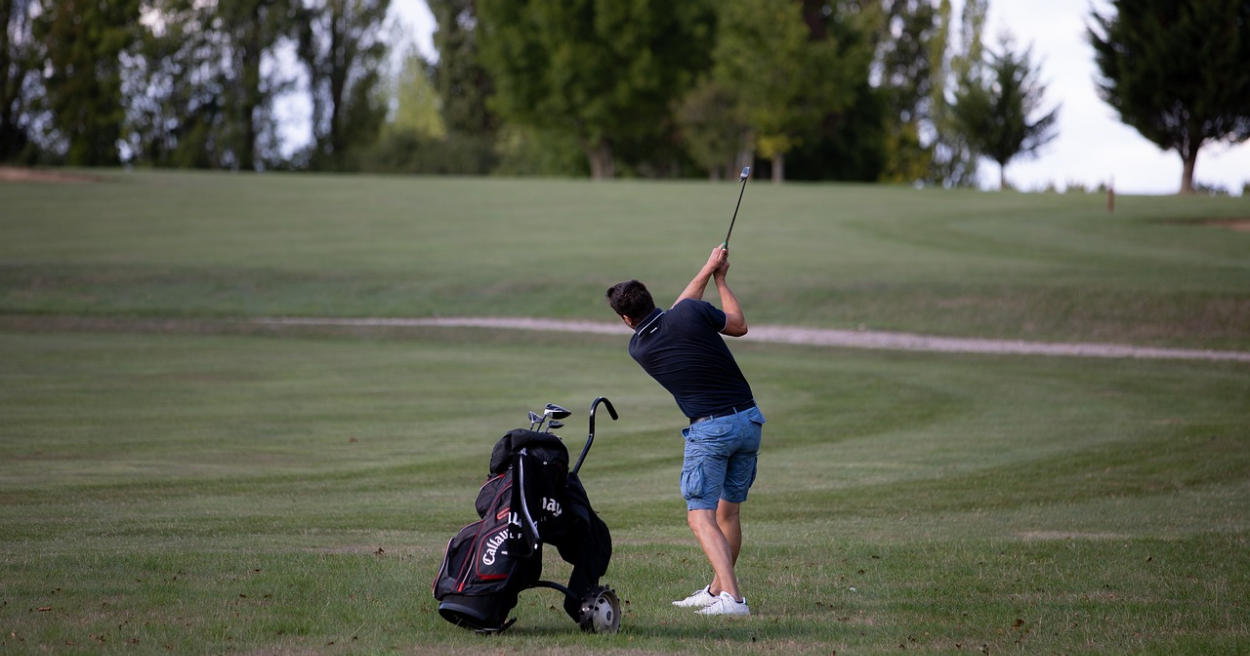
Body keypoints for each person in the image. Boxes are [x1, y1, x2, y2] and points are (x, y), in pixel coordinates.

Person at [605, 245, 764, 617]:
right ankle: (716, 590)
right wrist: (719, 278)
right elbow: (737, 324)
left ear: (626, 318)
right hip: (749, 421)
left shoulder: (640, 347)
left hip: (711, 431)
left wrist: (709, 271)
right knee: (728, 515)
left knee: (700, 517)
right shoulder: (690, 313)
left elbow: (676, 312)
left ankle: (734, 600)